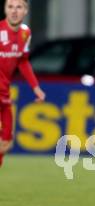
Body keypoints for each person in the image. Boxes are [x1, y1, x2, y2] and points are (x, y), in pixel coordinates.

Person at [0, 0, 45, 167]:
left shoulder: (25, 33)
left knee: (5, 143)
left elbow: (23, 62)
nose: (14, 11)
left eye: (19, 7)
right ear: (5, 9)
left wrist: (36, 87)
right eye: (10, 7)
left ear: (25, 11)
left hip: (5, 94)